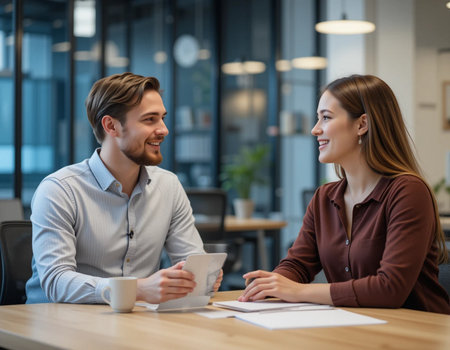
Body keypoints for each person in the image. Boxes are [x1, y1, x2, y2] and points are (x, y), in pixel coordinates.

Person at [239, 74, 450, 314]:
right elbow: (298, 265)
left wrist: (296, 291)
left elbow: (390, 288)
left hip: (418, 333)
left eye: (326, 118)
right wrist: (272, 284)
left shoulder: (408, 192)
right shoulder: (323, 198)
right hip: (355, 326)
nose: (314, 129)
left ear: (362, 125)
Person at [26, 72, 222, 304]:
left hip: (135, 321)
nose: (163, 129)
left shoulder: (168, 185)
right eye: (150, 119)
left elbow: (191, 260)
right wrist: (136, 289)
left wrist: (200, 277)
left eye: (163, 118)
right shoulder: (60, 190)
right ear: (111, 126)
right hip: (58, 324)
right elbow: (56, 282)